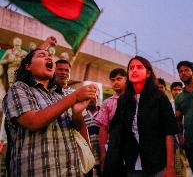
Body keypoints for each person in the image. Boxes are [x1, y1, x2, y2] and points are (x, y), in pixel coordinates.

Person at [2, 48, 98, 176]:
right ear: (28, 66)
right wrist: (74, 97)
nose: (49, 58)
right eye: (42, 55)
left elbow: (76, 128)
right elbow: (34, 121)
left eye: (50, 56)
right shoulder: (19, 89)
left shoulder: (62, 95)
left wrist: (77, 114)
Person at [105, 56, 178, 177]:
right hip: (131, 164)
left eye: (139, 67)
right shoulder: (123, 100)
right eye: (131, 68)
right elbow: (115, 128)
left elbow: (169, 133)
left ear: (148, 73)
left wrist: (170, 167)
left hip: (157, 163)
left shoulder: (159, 98)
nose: (134, 70)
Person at [97, 68, 127, 170]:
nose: (116, 82)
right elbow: (103, 128)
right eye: (113, 80)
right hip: (114, 149)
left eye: (119, 79)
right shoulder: (107, 103)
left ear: (126, 79)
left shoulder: (135, 99)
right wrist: (103, 152)